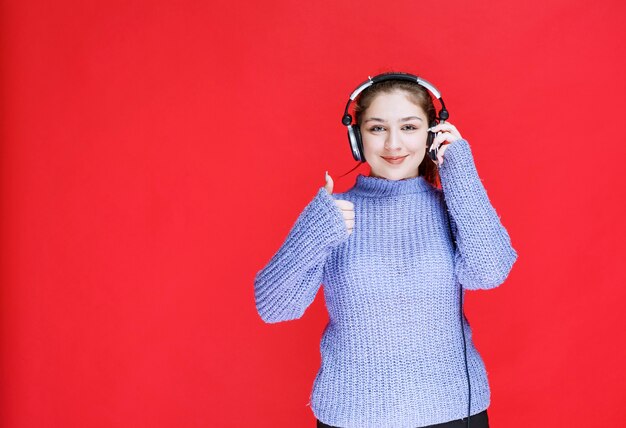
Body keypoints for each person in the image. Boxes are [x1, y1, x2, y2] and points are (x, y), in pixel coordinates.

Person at [254, 73, 518, 428]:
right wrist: (312, 232)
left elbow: (489, 272)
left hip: (454, 412)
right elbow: (274, 308)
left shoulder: (454, 206)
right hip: (352, 416)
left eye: (409, 127)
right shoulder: (333, 215)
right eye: (377, 128)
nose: (393, 143)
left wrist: (461, 171)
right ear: (356, 136)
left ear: (431, 134)